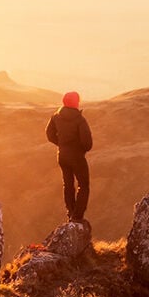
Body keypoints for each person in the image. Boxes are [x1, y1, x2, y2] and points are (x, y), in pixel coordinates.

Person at [45, 91, 93, 222]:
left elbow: (49, 134)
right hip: (77, 157)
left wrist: (61, 144)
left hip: (62, 156)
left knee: (68, 184)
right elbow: (87, 143)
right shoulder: (80, 120)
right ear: (76, 102)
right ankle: (78, 216)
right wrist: (80, 150)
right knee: (83, 185)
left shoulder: (56, 116)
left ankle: (70, 212)